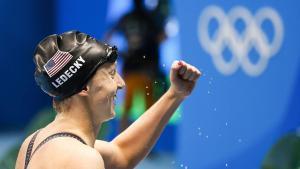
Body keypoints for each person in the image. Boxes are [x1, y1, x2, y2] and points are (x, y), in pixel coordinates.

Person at [15, 30, 201, 169]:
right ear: (84, 87)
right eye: (112, 75)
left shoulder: (34, 143)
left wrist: (175, 94)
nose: (121, 83)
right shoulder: (83, 159)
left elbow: (122, 154)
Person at [105, 0, 168, 131]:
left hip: (131, 68)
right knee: (149, 110)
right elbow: (163, 36)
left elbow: (108, 36)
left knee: (127, 108)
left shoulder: (126, 18)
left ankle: (122, 142)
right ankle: (146, 146)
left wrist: (117, 53)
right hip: (146, 70)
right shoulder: (149, 18)